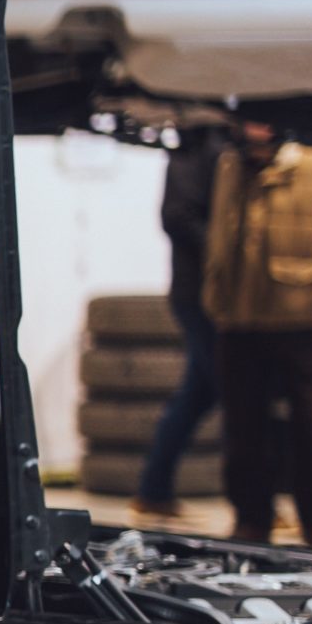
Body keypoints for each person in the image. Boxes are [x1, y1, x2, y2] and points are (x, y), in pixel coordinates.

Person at [203, 120, 312, 550]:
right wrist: (216, 293)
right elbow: (219, 236)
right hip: (238, 321)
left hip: (301, 321)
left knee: (309, 426)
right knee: (244, 427)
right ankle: (251, 519)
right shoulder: (229, 165)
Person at [132, 126, 230, 521]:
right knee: (235, 395)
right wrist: (226, 253)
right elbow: (176, 215)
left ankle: (153, 489)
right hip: (201, 295)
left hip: (212, 294)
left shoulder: (221, 144)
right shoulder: (198, 146)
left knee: (199, 395)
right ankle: (256, 502)